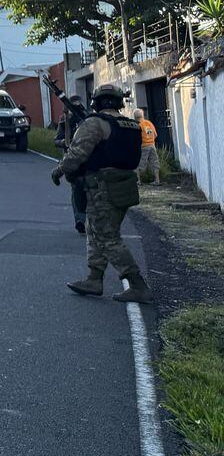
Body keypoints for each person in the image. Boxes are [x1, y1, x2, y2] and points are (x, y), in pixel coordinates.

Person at [51, 84, 154, 304]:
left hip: (102, 188)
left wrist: (59, 170)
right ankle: (94, 278)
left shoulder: (95, 124)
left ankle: (137, 284)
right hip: (124, 187)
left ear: (96, 102)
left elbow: (76, 154)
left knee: (107, 237)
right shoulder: (131, 125)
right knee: (95, 230)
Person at [54, 93, 90, 234]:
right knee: (76, 189)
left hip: (88, 158)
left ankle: (89, 218)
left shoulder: (89, 119)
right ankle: (80, 220)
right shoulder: (64, 121)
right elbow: (56, 139)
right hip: (71, 159)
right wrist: (64, 142)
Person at [136, 108, 160, 184]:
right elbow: (155, 134)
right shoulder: (149, 123)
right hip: (152, 145)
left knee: (140, 163)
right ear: (142, 115)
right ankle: (157, 180)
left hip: (143, 146)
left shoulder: (138, 125)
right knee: (154, 162)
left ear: (135, 117)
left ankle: (138, 180)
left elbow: (137, 137)